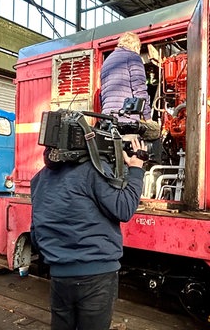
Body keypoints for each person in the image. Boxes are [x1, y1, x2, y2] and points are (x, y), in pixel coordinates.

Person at [30, 137, 146, 330]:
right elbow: (123, 208)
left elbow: (35, 232)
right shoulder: (93, 170)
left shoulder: (39, 178)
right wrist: (136, 169)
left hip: (59, 275)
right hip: (97, 275)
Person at [100, 32, 152, 121]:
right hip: (126, 117)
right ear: (136, 46)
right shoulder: (133, 57)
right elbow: (139, 90)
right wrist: (147, 117)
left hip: (107, 117)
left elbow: (102, 95)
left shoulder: (106, 62)